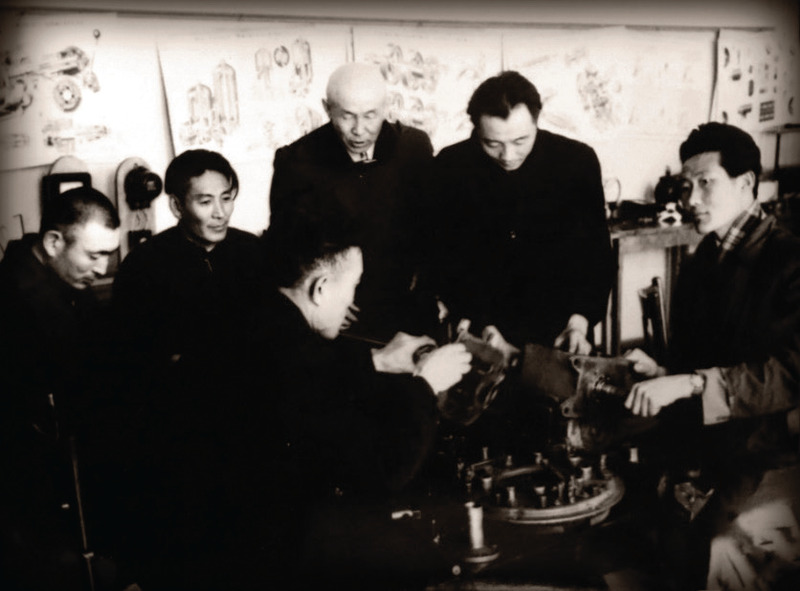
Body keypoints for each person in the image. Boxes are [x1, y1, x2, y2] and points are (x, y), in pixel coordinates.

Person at [224, 204, 473, 590]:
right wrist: (426, 383)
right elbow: (385, 469)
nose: (352, 298)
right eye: (353, 285)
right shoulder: (290, 362)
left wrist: (379, 360)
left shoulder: (263, 319)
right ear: (321, 288)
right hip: (277, 557)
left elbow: (314, 369)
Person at [624, 122, 800, 590]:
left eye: (706, 183)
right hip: (711, 443)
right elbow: (697, 358)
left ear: (746, 184)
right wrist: (663, 371)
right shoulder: (702, 259)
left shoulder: (789, 261)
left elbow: (790, 373)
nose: (692, 199)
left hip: (769, 451)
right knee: (649, 521)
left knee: (714, 546)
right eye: (688, 185)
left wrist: (692, 383)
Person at [429, 70, 614, 353]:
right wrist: (478, 321)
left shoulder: (576, 162)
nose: (508, 156)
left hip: (559, 330)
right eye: (492, 143)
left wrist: (579, 322)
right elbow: (444, 259)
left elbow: (595, 256)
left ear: (537, 122)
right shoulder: (451, 166)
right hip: (482, 329)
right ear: (476, 129)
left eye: (520, 141)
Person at [0, 186, 120, 590]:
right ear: (53, 242)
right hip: (34, 485)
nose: (103, 268)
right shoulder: (15, 303)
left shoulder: (64, 281)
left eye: (109, 254)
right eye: (94, 255)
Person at [270, 62, 436, 342]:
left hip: (409, 305)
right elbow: (284, 248)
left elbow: (432, 227)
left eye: (370, 115)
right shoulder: (296, 161)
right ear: (327, 108)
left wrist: (427, 286)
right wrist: (327, 301)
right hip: (343, 319)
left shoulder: (414, 147)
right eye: (347, 116)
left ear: (386, 107)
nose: (359, 130)